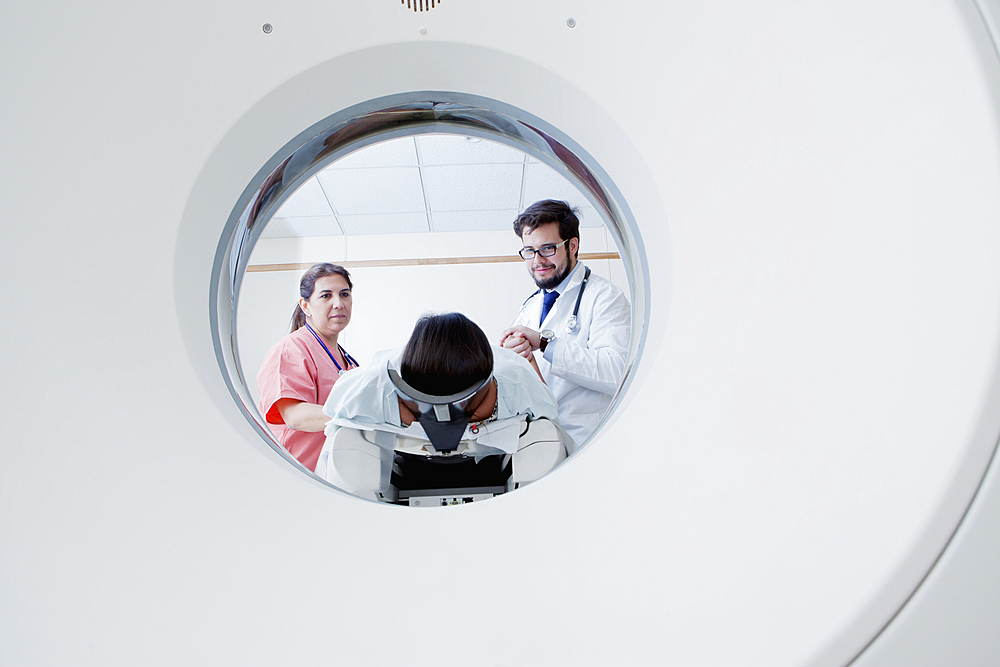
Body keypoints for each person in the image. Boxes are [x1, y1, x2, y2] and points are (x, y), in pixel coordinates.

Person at [500, 199, 631, 447]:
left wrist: (546, 344)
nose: (537, 260)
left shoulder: (605, 297)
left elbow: (618, 371)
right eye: (529, 250)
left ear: (572, 245)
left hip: (588, 442)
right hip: (539, 443)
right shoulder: (530, 306)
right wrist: (511, 357)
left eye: (547, 248)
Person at [257, 263, 359, 471]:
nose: (338, 303)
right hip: (294, 473)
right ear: (305, 306)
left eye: (344, 294)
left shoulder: (348, 361)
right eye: (326, 296)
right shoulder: (290, 350)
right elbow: (295, 416)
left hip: (330, 475)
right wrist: (362, 417)